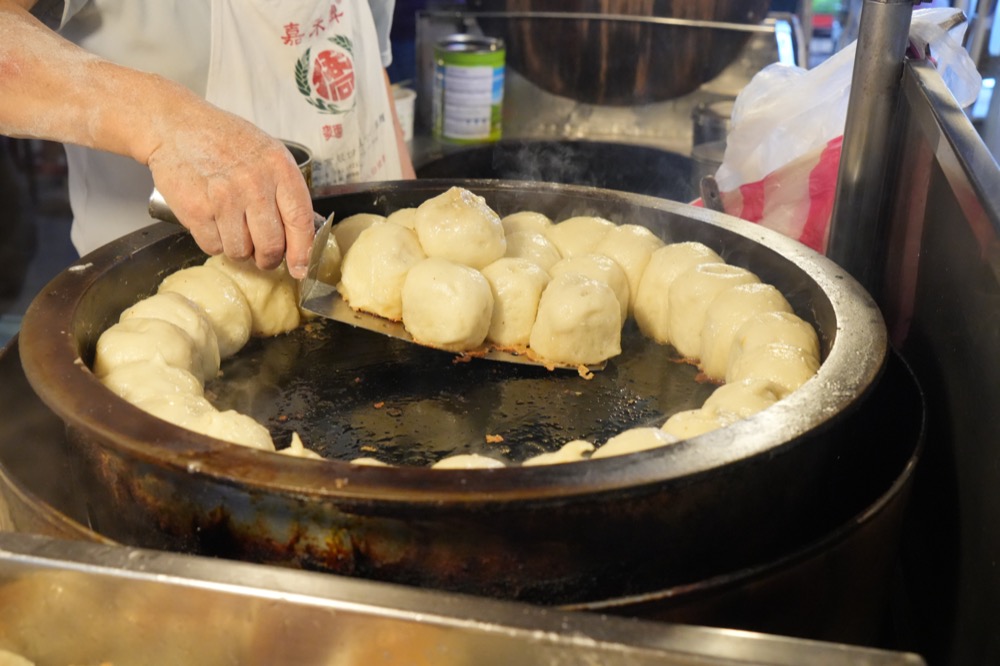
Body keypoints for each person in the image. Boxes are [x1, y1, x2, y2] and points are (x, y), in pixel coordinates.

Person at [0, 0, 415, 279]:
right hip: (155, 290)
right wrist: (167, 124)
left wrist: (413, 227)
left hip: (368, 287)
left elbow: (366, 67)